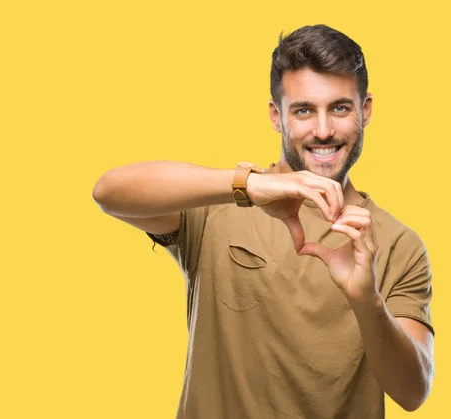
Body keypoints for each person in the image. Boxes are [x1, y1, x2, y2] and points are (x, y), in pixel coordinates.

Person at [92, 24, 434, 418]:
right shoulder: (223, 204)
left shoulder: (397, 244)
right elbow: (109, 191)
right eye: (303, 110)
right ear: (277, 116)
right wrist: (250, 187)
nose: (323, 131)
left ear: (365, 110)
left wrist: (366, 300)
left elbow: (413, 392)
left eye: (339, 108)